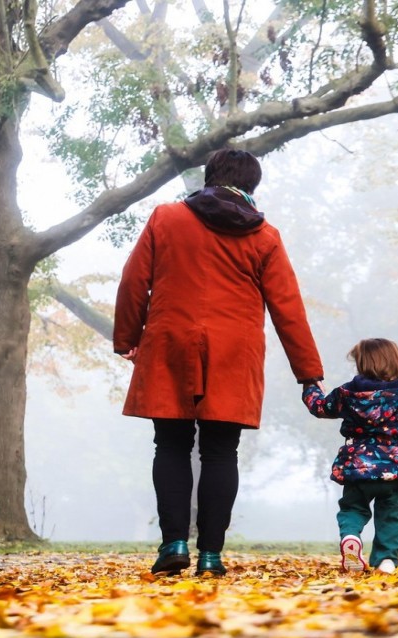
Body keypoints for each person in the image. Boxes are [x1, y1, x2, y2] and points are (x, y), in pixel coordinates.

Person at [114, 148, 324, 577]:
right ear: (252, 187)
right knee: (220, 452)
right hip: (235, 352)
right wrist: (309, 375)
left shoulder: (167, 218)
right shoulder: (265, 237)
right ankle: (210, 554)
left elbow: (134, 279)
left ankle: (173, 542)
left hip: (171, 342)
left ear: (209, 177)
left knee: (170, 445)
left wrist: (127, 338)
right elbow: (288, 308)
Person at [303, 338, 398, 574]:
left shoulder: (345, 393)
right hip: (395, 469)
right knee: (392, 516)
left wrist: (311, 385)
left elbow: (320, 407)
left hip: (358, 467)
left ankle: (350, 537)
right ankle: (386, 560)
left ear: (362, 363)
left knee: (352, 508)